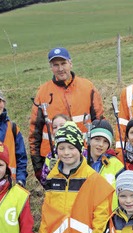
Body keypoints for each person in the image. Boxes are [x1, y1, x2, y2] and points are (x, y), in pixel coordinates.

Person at [28, 47, 104, 182]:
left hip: (86, 156)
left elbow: (100, 122)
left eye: (63, 63)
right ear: (51, 67)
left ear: (70, 63)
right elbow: (35, 131)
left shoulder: (87, 87)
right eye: (55, 65)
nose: (60, 68)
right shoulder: (42, 92)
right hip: (53, 160)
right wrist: (38, 166)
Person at [87, 119, 125, 192]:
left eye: (105, 141)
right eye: (97, 139)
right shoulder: (79, 162)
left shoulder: (116, 165)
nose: (101, 144)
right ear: (89, 140)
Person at [41, 113, 72, 183]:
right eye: (55, 127)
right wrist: (49, 170)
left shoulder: (80, 151)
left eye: (62, 125)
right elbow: (44, 181)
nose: (58, 129)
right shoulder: (50, 156)